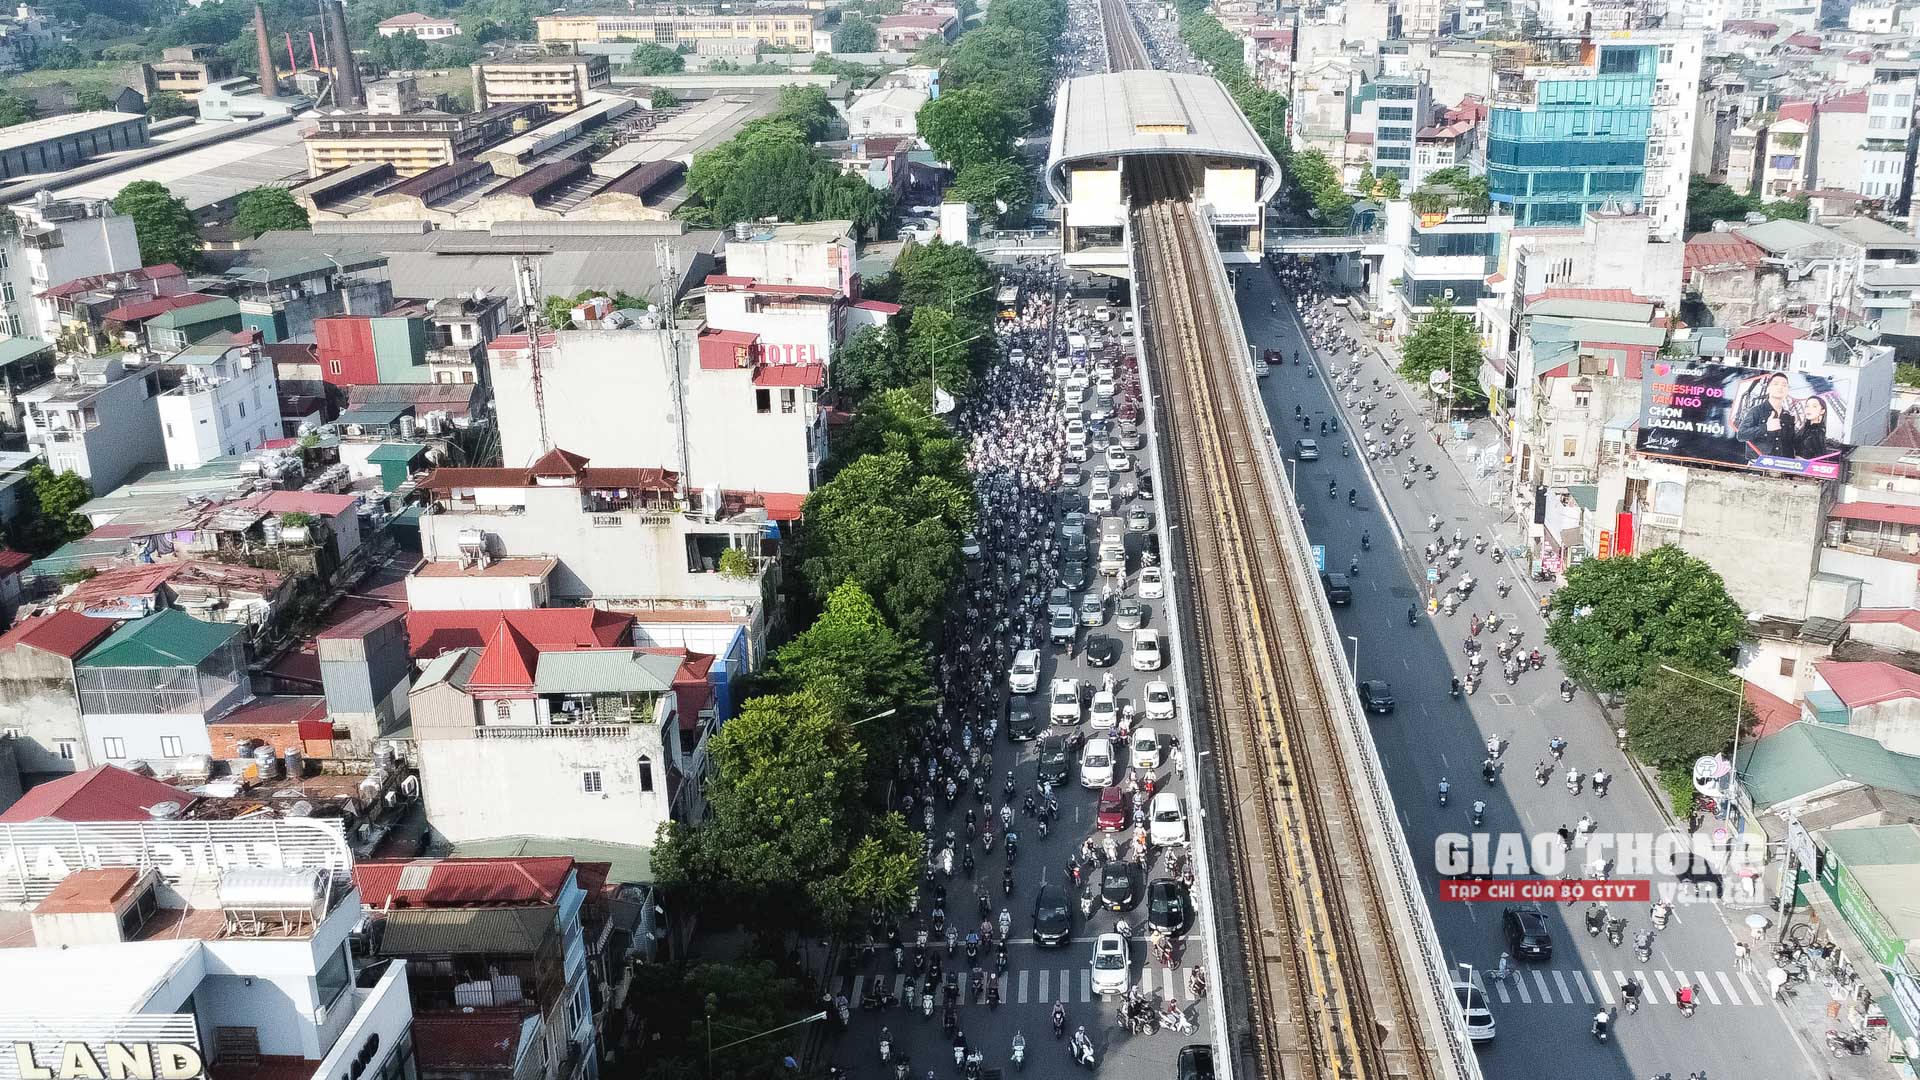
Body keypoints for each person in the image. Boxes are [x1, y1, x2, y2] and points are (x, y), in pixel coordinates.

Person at [1736, 371, 1798, 459]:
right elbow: (1741, 435)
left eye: (1784, 385)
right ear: (1768, 389)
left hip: (1781, 466)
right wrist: (1765, 428)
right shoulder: (1756, 411)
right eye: (1776, 384)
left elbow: (1790, 445)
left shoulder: (1789, 417)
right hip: (1758, 466)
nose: (1780, 387)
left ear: (1787, 390)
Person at [1795, 395, 1836, 459]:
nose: (1809, 409)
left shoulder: (1817, 432)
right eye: (1807, 406)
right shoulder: (1805, 429)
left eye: (1814, 406)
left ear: (1822, 411)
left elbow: (1821, 458)